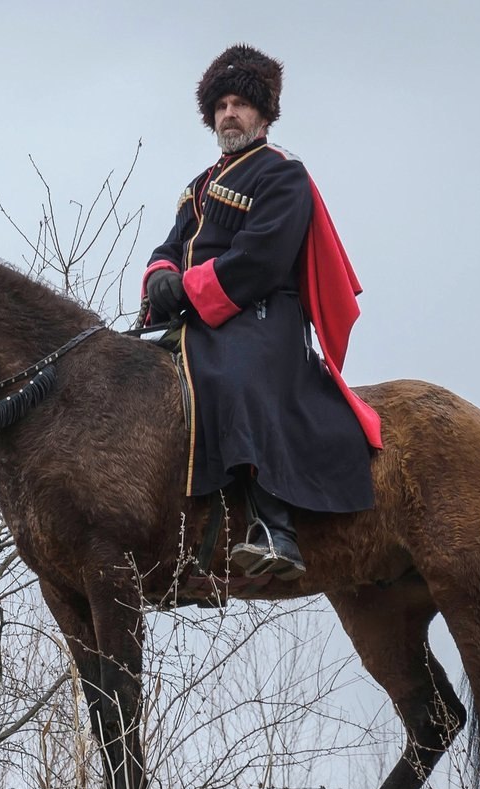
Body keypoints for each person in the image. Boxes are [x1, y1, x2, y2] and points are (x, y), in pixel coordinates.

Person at [142, 44, 383, 581]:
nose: (230, 114)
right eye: (222, 105)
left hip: (262, 317)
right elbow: (170, 246)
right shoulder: (198, 186)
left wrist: (186, 288)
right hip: (198, 318)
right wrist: (159, 275)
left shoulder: (283, 176)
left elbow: (261, 259)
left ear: (264, 113)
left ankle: (276, 530)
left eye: (241, 104)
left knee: (235, 376)